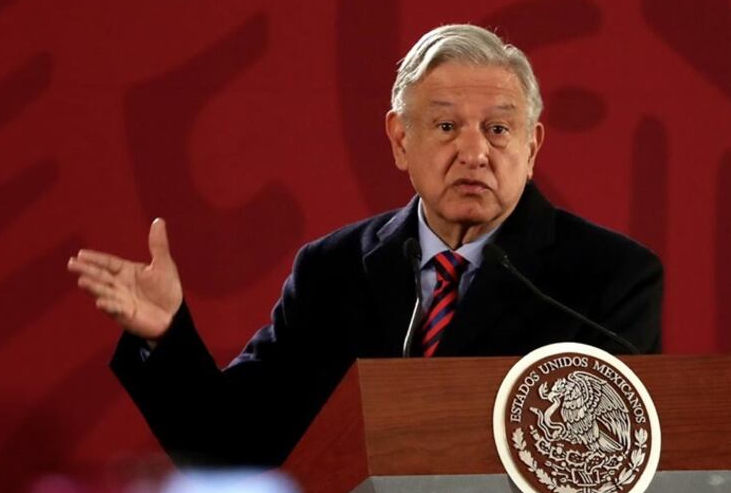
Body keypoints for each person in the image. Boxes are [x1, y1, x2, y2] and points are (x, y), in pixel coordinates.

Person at [67, 24, 663, 469]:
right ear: (401, 140)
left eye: (499, 129)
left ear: (532, 147)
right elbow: (232, 445)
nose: (475, 152)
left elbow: (606, 459)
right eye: (447, 126)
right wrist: (165, 334)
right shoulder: (334, 272)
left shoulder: (609, 278)